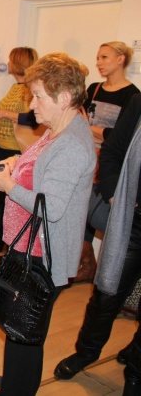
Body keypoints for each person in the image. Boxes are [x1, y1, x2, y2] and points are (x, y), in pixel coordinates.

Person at [0, 53, 96, 395]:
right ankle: (16, 382)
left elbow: (51, 207)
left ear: (63, 97)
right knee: (21, 327)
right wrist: (17, 161)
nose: (31, 104)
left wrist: (9, 186)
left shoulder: (72, 144)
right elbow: (42, 169)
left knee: (25, 332)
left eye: (37, 96)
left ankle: (17, 389)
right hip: (28, 248)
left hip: (41, 255)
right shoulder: (57, 131)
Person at [53, 92, 141, 394]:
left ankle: (136, 372)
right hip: (133, 221)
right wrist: (115, 196)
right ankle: (86, 353)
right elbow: (112, 152)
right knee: (106, 294)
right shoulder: (139, 103)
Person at [75, 41, 139, 282]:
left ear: (120, 59)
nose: (98, 63)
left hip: (108, 164)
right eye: (98, 58)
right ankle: (83, 263)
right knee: (81, 211)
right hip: (85, 158)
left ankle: (95, 268)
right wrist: (96, 131)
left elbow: (120, 137)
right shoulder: (94, 88)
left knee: (97, 213)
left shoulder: (132, 95)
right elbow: (78, 121)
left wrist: (91, 129)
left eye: (104, 57)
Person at [0, 47, 39, 254]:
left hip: (16, 151)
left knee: (13, 197)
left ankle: (11, 240)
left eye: (11, 59)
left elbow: (32, 119)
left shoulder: (29, 89)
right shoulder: (16, 87)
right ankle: (1, 236)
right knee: (1, 195)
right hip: (2, 146)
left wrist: (4, 113)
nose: (8, 63)